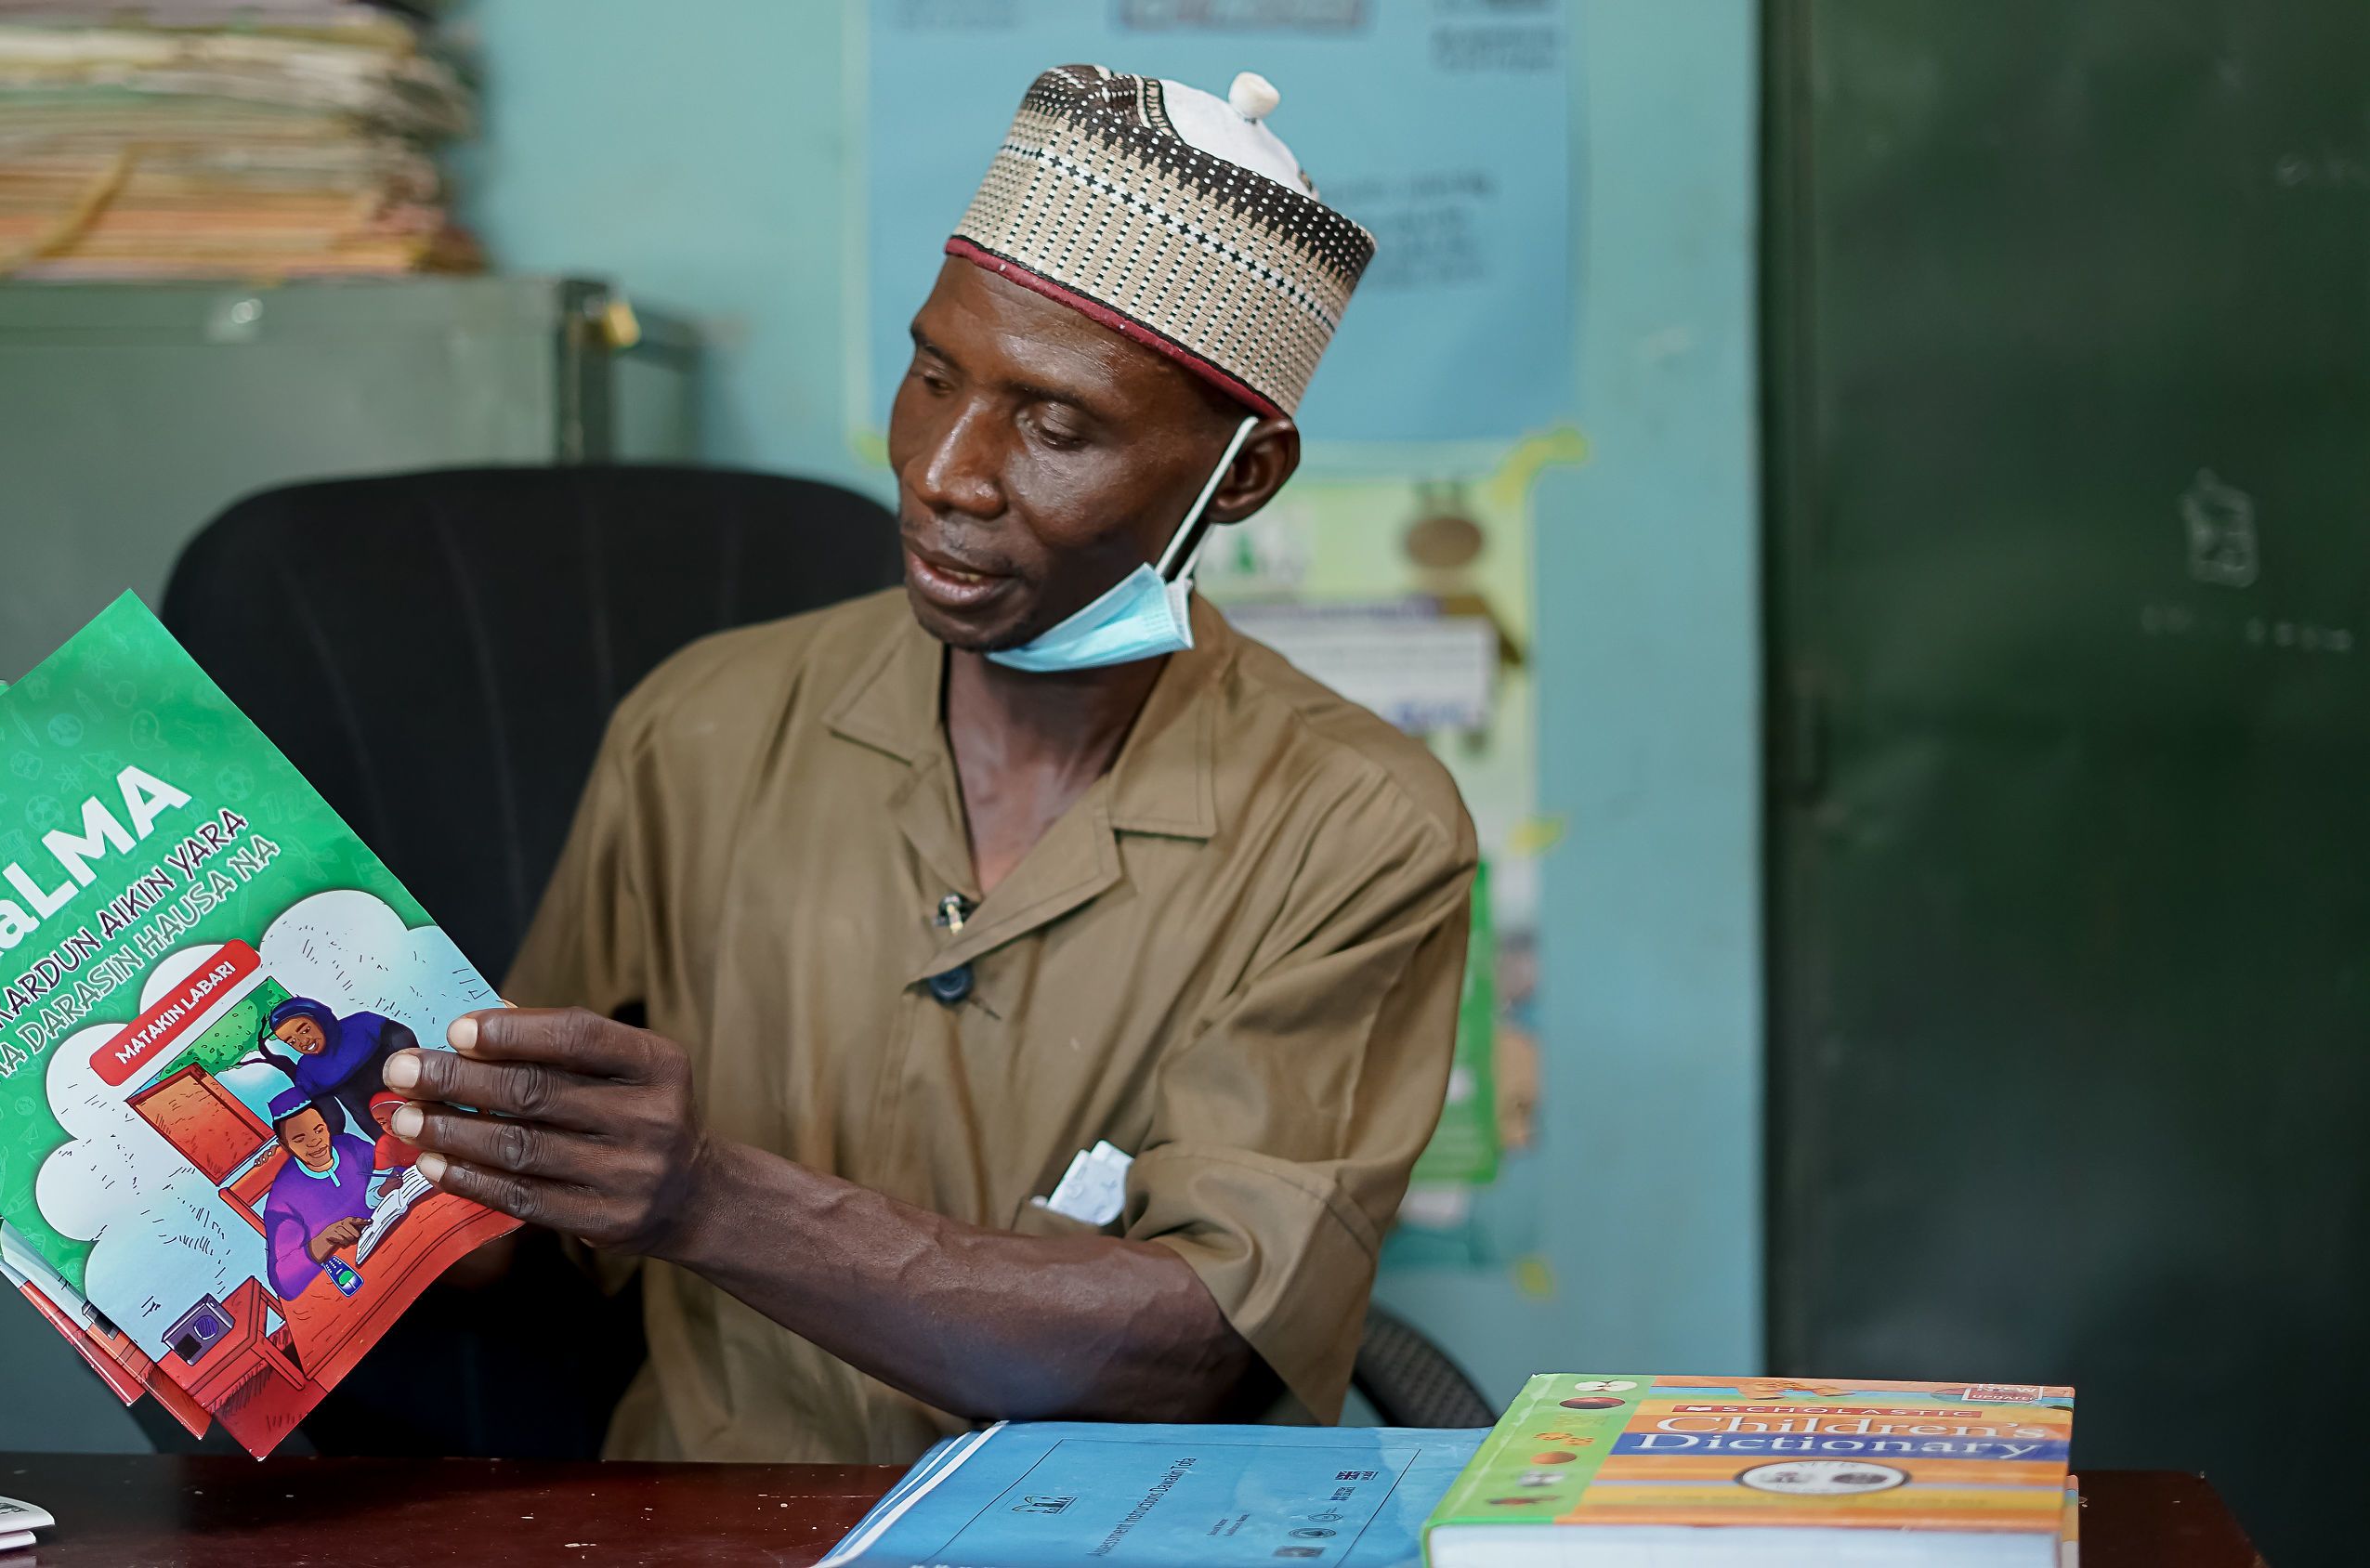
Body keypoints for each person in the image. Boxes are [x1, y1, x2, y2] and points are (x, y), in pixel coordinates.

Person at [384, 63, 1474, 1463]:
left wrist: (708, 1199)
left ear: (1242, 478)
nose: (944, 472)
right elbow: (509, 1221)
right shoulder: (703, 726)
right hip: (711, 1537)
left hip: (1097, 1555)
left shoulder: (1355, 827)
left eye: (1055, 425)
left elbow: (1194, 1343)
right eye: (934, 377)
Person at [259, 1088, 380, 1300]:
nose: (314, 1142)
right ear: (285, 1144)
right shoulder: (282, 1201)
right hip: (357, 1280)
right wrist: (325, 1239)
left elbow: (391, 1170)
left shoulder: (349, 1145)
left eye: (318, 1130)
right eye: (299, 1138)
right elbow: (283, 1281)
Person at [254, 997, 415, 1140]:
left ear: (320, 1019)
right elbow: (331, 1114)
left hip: (413, 1091)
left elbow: (404, 1039)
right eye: (292, 1042)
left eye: (305, 1030)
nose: (302, 1042)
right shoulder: (307, 1070)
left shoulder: (362, 1024)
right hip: (378, 1126)